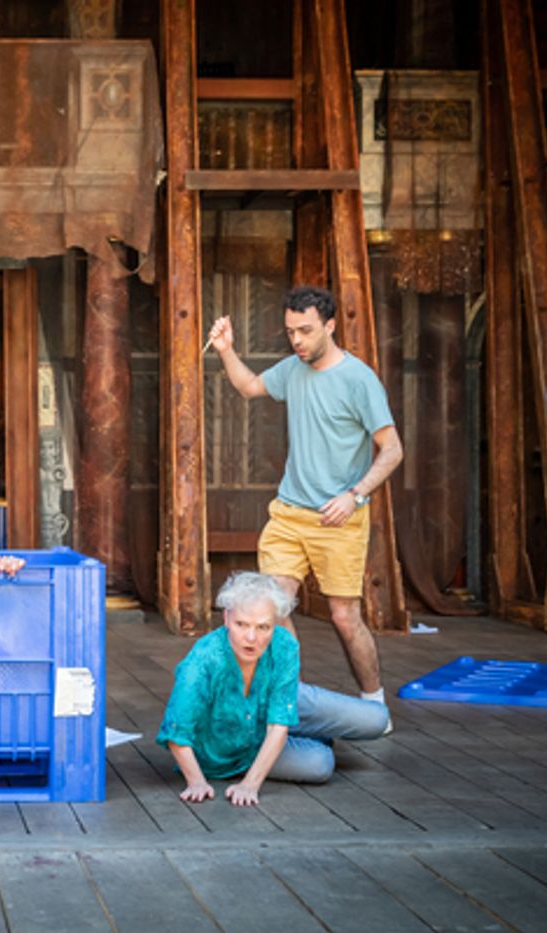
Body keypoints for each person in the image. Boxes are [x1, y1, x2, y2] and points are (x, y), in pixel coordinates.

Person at [206, 284, 403, 722]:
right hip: (289, 513)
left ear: (330, 326)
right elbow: (250, 386)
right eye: (291, 331)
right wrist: (226, 350)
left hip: (340, 518)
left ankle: (375, 705)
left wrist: (355, 495)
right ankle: (288, 703)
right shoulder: (293, 369)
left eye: (306, 331)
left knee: (344, 616)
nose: (297, 340)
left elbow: (392, 450)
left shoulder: (359, 379)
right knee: (273, 609)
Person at [157, 572, 389, 807]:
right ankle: (304, 734)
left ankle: (294, 725)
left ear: (275, 623)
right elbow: (177, 730)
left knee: (376, 719)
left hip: (278, 700)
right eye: (241, 624)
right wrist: (196, 781)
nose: (251, 637)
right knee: (320, 764)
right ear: (226, 618)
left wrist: (251, 785)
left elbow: (278, 725)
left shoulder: (284, 645)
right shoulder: (202, 661)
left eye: (263, 627)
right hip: (228, 749)